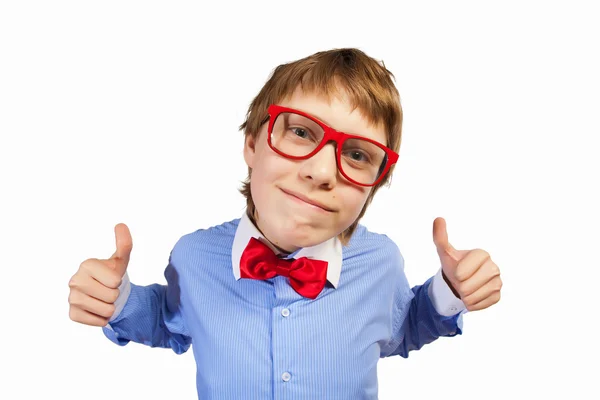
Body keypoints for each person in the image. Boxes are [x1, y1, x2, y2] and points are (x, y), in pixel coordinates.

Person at [68, 48, 502, 399]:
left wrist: (451, 291)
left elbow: (402, 326)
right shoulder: (194, 258)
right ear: (253, 144)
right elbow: (169, 321)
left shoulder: (380, 263)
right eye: (300, 132)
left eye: (357, 155)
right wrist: (116, 298)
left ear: (375, 185)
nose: (321, 172)